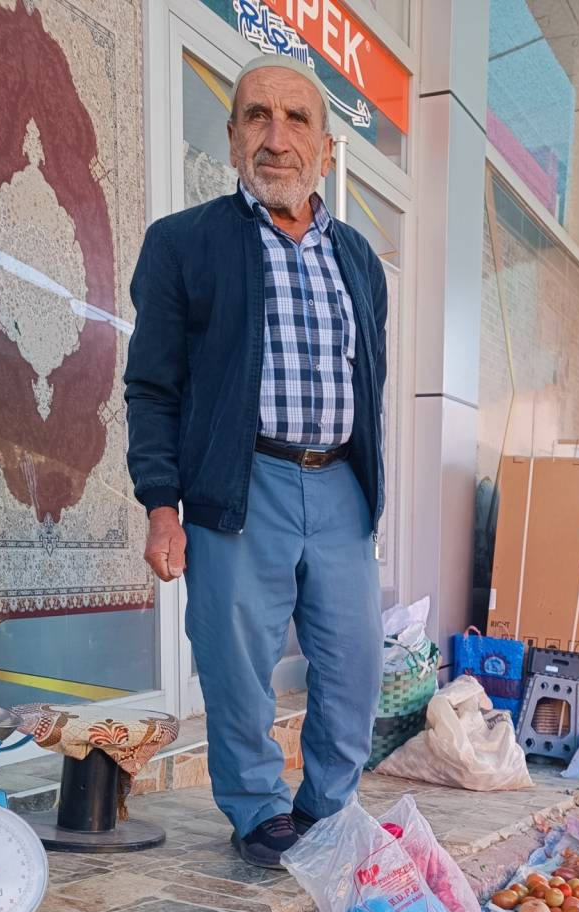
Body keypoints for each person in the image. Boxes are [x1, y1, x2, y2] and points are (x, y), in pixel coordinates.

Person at [125, 55, 388, 867]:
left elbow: (368, 379)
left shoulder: (359, 259)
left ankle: (326, 807)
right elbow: (152, 386)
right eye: (257, 117)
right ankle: (259, 810)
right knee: (237, 664)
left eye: (297, 118)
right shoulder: (183, 244)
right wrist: (161, 503)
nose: (278, 138)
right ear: (234, 135)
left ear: (326, 148)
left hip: (340, 484)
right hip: (242, 482)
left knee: (353, 667)